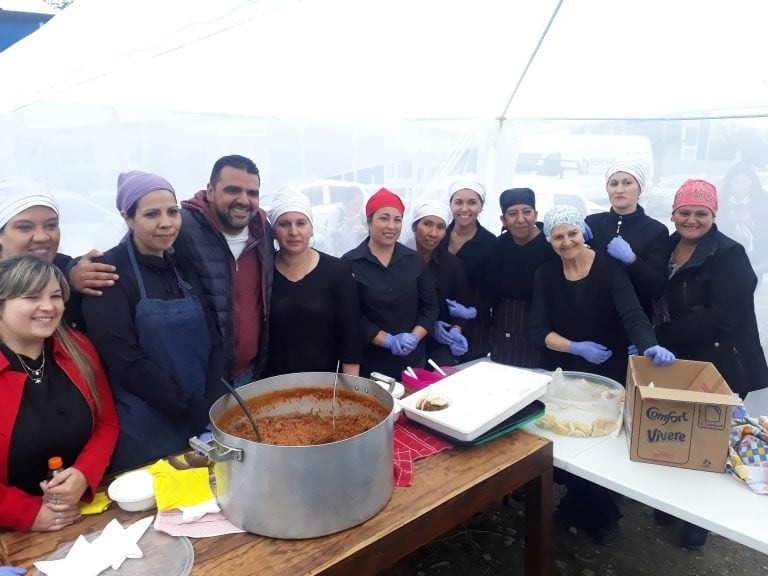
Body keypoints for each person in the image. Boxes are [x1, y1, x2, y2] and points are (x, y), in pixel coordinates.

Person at [529, 205, 675, 545]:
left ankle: (606, 515)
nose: (566, 242)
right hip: (567, 367)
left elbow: (632, 313)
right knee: (569, 436)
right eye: (558, 236)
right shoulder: (546, 274)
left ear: (583, 233)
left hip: (608, 367)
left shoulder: (608, 269)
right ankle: (574, 503)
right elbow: (537, 330)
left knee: (602, 441)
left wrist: (648, 344)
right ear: (550, 241)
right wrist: (575, 347)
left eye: (572, 234)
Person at [652, 179, 768, 549]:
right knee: (679, 432)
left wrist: (661, 334)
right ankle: (673, 502)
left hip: (724, 362)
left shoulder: (728, 254)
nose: (691, 220)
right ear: (673, 214)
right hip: (686, 358)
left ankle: (698, 521)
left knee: (710, 441)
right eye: (684, 212)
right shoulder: (668, 247)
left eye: (701, 213)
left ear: (713, 215)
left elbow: (724, 315)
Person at [81, 171, 221, 471]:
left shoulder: (181, 265)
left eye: (173, 212)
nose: (166, 223)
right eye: (152, 214)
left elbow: (214, 336)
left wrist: (211, 404)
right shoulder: (107, 272)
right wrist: (191, 407)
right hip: (146, 426)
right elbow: (125, 361)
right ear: (127, 217)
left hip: (200, 416)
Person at [0, 255, 119, 532]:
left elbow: (107, 423)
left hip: (85, 510)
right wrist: (26, 513)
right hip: (12, 532)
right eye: (31, 297)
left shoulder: (78, 348)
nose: (48, 307)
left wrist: (84, 474)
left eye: (55, 296)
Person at [176, 155, 274, 386]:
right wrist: (77, 273)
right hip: (197, 380)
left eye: (252, 193)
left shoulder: (263, 231)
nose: (244, 200)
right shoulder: (181, 227)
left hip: (249, 375)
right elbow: (128, 259)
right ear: (210, 191)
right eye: (233, 190)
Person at [343, 188, 439, 379]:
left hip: (412, 361)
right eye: (384, 218)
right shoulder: (349, 263)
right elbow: (350, 315)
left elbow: (430, 307)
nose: (391, 226)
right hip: (370, 362)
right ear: (369, 221)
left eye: (397, 219)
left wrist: (414, 337)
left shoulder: (414, 260)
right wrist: (387, 340)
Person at [264, 191, 362, 376]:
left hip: (326, 382)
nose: (294, 231)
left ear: (312, 228)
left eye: (301, 223)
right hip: (276, 383)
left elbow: (351, 334)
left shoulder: (337, 271)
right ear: (274, 232)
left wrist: (352, 387)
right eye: (284, 224)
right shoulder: (264, 273)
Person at [0, 180, 119, 330]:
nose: (42, 237)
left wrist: (71, 279)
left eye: (51, 225)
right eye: (24, 227)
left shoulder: (70, 274)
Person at [585, 161, 669, 317]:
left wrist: (632, 261)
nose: (619, 190)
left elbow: (657, 286)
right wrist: (570, 230)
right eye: (613, 183)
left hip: (634, 319)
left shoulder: (656, 231)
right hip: (592, 315)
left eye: (627, 183)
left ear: (640, 189)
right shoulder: (592, 223)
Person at [486, 188, 556, 368]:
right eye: (512, 214)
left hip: (545, 326)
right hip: (505, 327)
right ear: (503, 219)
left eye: (527, 212)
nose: (521, 219)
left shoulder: (551, 245)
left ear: (536, 214)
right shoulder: (498, 246)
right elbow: (491, 291)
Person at [409, 199, 471, 367]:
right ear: (414, 226)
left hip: (439, 345)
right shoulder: (400, 260)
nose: (433, 233)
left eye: (440, 227)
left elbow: (462, 303)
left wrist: (456, 329)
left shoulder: (452, 265)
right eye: (427, 224)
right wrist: (427, 327)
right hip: (406, 340)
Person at [442, 176, 496, 360]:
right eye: (458, 202)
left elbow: (493, 290)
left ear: (481, 206)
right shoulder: (438, 236)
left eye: (472, 203)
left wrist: (472, 312)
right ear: (450, 205)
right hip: (439, 317)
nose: (464, 209)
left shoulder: (490, 243)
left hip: (475, 323)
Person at [716, 162, 768, 279]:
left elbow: (766, 231)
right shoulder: (720, 203)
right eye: (737, 182)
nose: (741, 186)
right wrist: (728, 220)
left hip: (755, 256)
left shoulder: (763, 202)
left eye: (745, 182)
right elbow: (712, 230)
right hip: (726, 254)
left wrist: (750, 222)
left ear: (751, 182)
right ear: (730, 183)